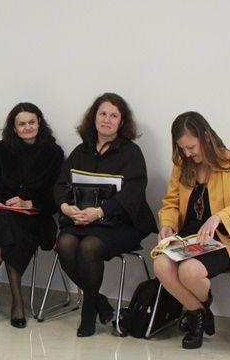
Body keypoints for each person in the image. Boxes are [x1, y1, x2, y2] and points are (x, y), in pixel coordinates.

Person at [154, 112, 230, 354]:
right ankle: (199, 312)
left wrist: (220, 217)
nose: (187, 154)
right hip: (189, 237)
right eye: (182, 149)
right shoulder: (182, 166)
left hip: (225, 240)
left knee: (189, 271)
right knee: (161, 265)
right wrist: (167, 224)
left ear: (206, 137)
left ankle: (196, 317)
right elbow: (171, 203)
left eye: (191, 147)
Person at [54, 92, 157, 337]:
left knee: (89, 247)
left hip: (122, 223)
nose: (107, 120)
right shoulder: (81, 151)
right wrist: (66, 208)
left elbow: (133, 193)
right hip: (83, 219)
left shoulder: (131, 153)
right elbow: (60, 185)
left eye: (113, 116)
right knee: (64, 243)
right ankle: (99, 301)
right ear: (94, 117)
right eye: (102, 114)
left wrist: (100, 211)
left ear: (122, 122)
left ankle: (88, 313)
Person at [0, 103, 64, 328]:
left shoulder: (53, 153)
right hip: (2, 214)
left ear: (39, 123)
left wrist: (29, 203)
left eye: (31, 122)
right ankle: (17, 302)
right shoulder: (2, 149)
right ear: (14, 127)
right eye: (22, 124)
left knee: (7, 228)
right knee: (7, 225)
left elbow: (57, 196)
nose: (27, 127)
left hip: (36, 220)